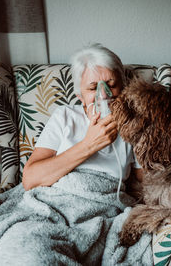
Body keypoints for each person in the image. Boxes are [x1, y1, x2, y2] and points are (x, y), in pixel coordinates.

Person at [22, 43, 144, 192]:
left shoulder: (134, 124)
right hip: (57, 197)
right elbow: (30, 180)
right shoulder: (65, 116)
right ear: (80, 96)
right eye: (93, 88)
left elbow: (147, 180)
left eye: (111, 85)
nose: (104, 95)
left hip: (107, 203)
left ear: (123, 88)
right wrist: (89, 144)